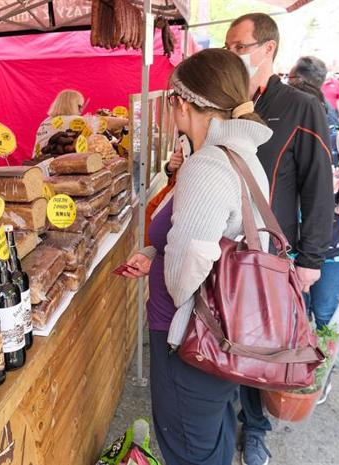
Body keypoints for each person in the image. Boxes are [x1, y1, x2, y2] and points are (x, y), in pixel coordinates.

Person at [123, 48, 272, 465]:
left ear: (182, 103)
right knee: (213, 436)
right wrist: (157, 253)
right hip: (226, 334)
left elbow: (184, 272)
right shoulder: (243, 156)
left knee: (189, 449)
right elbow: (214, 241)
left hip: (191, 341)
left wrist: (165, 263)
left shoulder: (207, 166)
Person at [225, 13, 335, 465]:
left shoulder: (299, 106)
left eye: (239, 47)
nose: (232, 55)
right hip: (222, 248)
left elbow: (318, 187)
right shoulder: (225, 100)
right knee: (221, 337)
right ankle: (221, 417)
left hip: (271, 255)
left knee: (263, 347)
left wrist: (311, 259)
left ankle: (255, 428)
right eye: (228, 48)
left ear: (267, 48)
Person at [289, 57, 339, 402]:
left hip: (335, 252)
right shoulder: (287, 142)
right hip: (292, 248)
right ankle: (297, 373)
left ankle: (321, 377)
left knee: (324, 315)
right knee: (295, 315)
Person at [33, 89, 127, 157]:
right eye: (81, 106)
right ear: (75, 106)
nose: (82, 110)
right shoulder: (72, 120)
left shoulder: (46, 121)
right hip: (52, 166)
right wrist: (128, 121)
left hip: (37, 163)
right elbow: (106, 122)